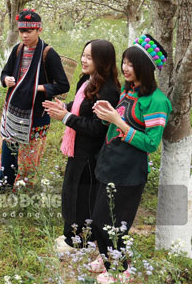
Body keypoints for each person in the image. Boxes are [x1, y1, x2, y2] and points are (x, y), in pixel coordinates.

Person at [88, 34, 171, 283]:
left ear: (145, 68)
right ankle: (106, 256)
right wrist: (106, 116)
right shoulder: (129, 90)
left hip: (129, 172)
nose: (125, 67)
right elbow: (117, 121)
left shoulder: (157, 101)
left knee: (114, 221)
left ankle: (120, 270)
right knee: (100, 215)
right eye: (124, 62)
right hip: (110, 162)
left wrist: (118, 122)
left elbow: (151, 143)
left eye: (131, 64)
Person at [43, 40, 120, 253]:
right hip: (77, 147)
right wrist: (65, 107)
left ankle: (80, 240)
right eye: (83, 55)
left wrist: (66, 117)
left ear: (102, 61)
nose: (83, 60)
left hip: (90, 153)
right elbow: (81, 109)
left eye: (89, 57)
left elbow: (98, 127)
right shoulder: (87, 80)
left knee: (82, 195)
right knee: (71, 191)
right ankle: (71, 234)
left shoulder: (108, 90)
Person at [0, 9, 70, 193]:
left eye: (29, 31)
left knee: (30, 153)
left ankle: (24, 186)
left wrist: (39, 88)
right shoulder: (18, 49)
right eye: (22, 31)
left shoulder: (48, 54)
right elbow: (6, 72)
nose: (24, 35)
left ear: (39, 30)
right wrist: (6, 80)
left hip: (36, 113)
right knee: (9, 145)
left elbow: (63, 85)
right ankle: (4, 182)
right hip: (14, 109)